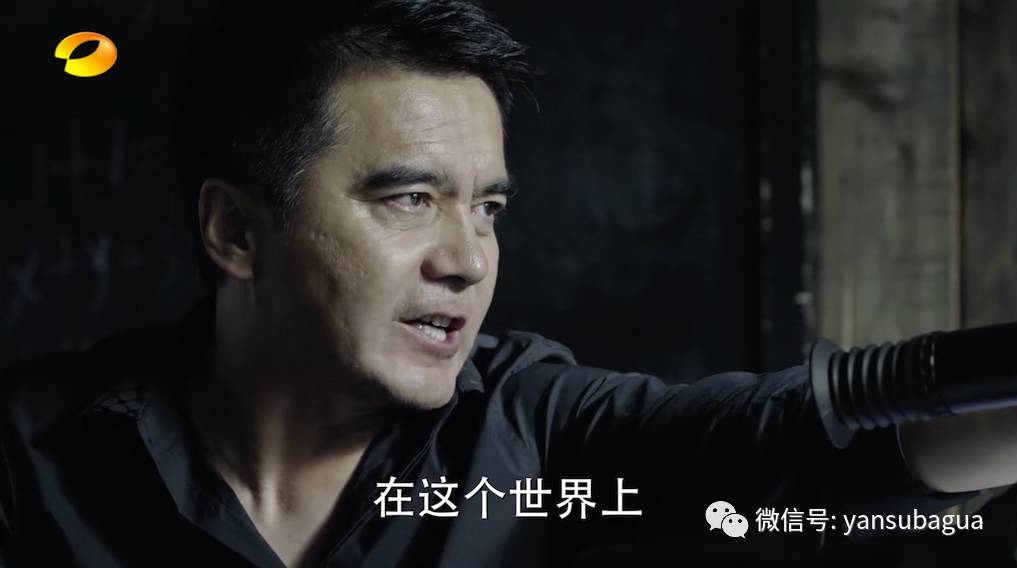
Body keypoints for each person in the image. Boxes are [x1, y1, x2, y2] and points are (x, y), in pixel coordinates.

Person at [0, 1, 1012, 566]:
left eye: (486, 207)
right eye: (410, 199)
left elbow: (797, 449)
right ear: (234, 230)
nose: (469, 259)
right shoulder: (29, 455)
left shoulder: (529, 431)